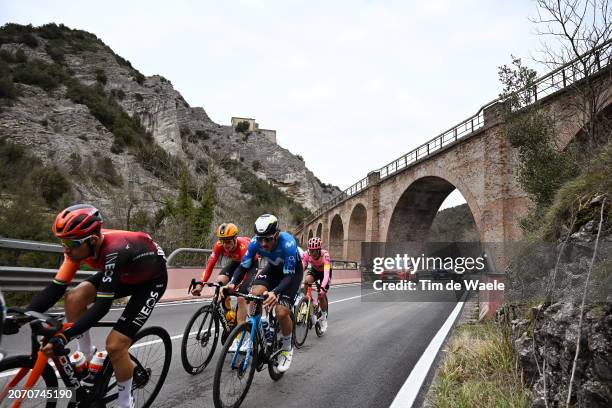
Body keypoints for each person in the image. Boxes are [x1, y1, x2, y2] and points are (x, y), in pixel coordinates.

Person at [27, 204, 167, 408]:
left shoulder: (114, 251)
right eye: (62, 241)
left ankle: (125, 401)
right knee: (73, 298)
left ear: (93, 241)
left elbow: (102, 306)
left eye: (71, 243)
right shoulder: (79, 247)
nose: (66, 248)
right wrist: (26, 313)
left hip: (150, 281)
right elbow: (57, 288)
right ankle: (87, 354)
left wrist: (65, 336)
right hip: (124, 274)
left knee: (115, 345)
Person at [227, 214, 302, 372]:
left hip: (291, 274)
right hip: (273, 269)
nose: (263, 243)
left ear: (276, 234)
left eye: (267, 239)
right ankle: (263, 325)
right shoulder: (255, 242)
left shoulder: (288, 243)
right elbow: (243, 266)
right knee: (254, 295)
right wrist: (232, 283)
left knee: (281, 312)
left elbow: (288, 276)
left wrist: (275, 292)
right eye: (260, 239)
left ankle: (287, 348)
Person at [191, 223, 258, 349]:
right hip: (235, 263)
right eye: (222, 241)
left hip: (249, 265)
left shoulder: (244, 246)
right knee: (219, 284)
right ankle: (231, 316)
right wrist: (201, 284)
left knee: (241, 297)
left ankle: (239, 337)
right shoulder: (219, 246)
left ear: (235, 238)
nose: (225, 245)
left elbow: (242, 273)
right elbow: (210, 264)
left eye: (228, 241)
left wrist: (234, 285)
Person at [301, 237, 332, 333]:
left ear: (319, 250)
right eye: (310, 251)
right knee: (306, 281)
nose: (312, 253)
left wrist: (322, 288)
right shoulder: (307, 254)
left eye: (314, 251)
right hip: (315, 270)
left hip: (325, 272)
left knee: (321, 295)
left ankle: (323, 317)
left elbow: (326, 274)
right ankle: (310, 302)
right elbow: (302, 267)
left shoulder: (325, 256)